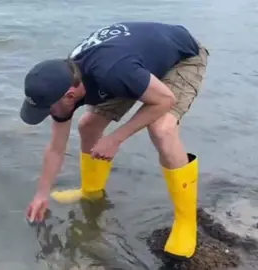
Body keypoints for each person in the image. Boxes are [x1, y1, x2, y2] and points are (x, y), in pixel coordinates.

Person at [20, 22, 209, 259]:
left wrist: (116, 139)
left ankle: (185, 221)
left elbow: (165, 100)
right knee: (88, 126)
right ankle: (91, 192)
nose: (50, 114)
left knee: (162, 129)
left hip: (181, 58)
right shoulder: (65, 79)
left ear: (70, 96)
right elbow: (56, 147)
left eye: (48, 109)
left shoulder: (113, 72)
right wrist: (41, 194)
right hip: (134, 67)